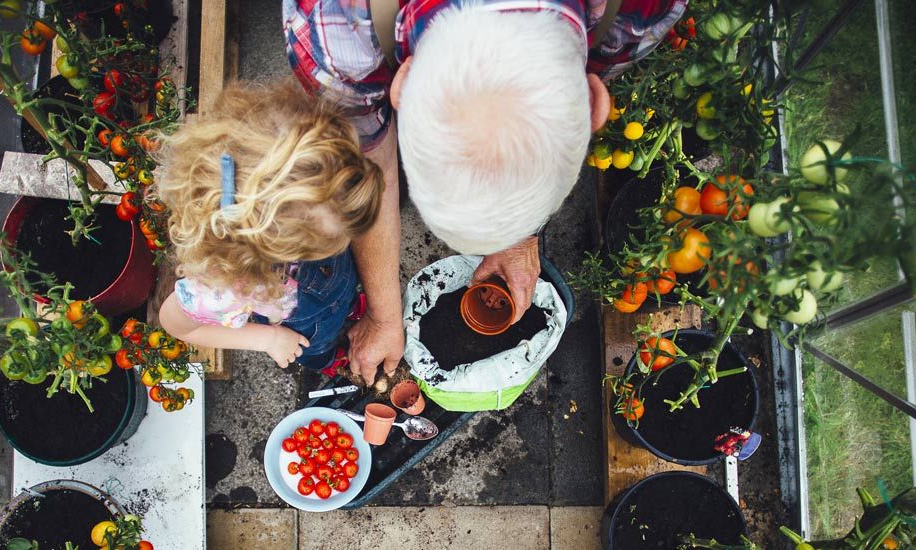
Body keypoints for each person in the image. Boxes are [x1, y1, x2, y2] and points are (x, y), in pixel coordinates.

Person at [284, 0, 686, 383]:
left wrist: (520, 239)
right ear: (596, 104)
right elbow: (370, 166)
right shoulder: (334, 34)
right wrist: (386, 315)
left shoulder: (640, 10)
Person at [155, 82, 384, 371]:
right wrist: (269, 339)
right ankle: (327, 358)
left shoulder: (309, 194)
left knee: (344, 290)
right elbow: (177, 325)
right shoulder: (222, 287)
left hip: (334, 284)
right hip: (304, 328)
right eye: (335, 237)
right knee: (317, 350)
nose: (348, 239)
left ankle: (347, 306)